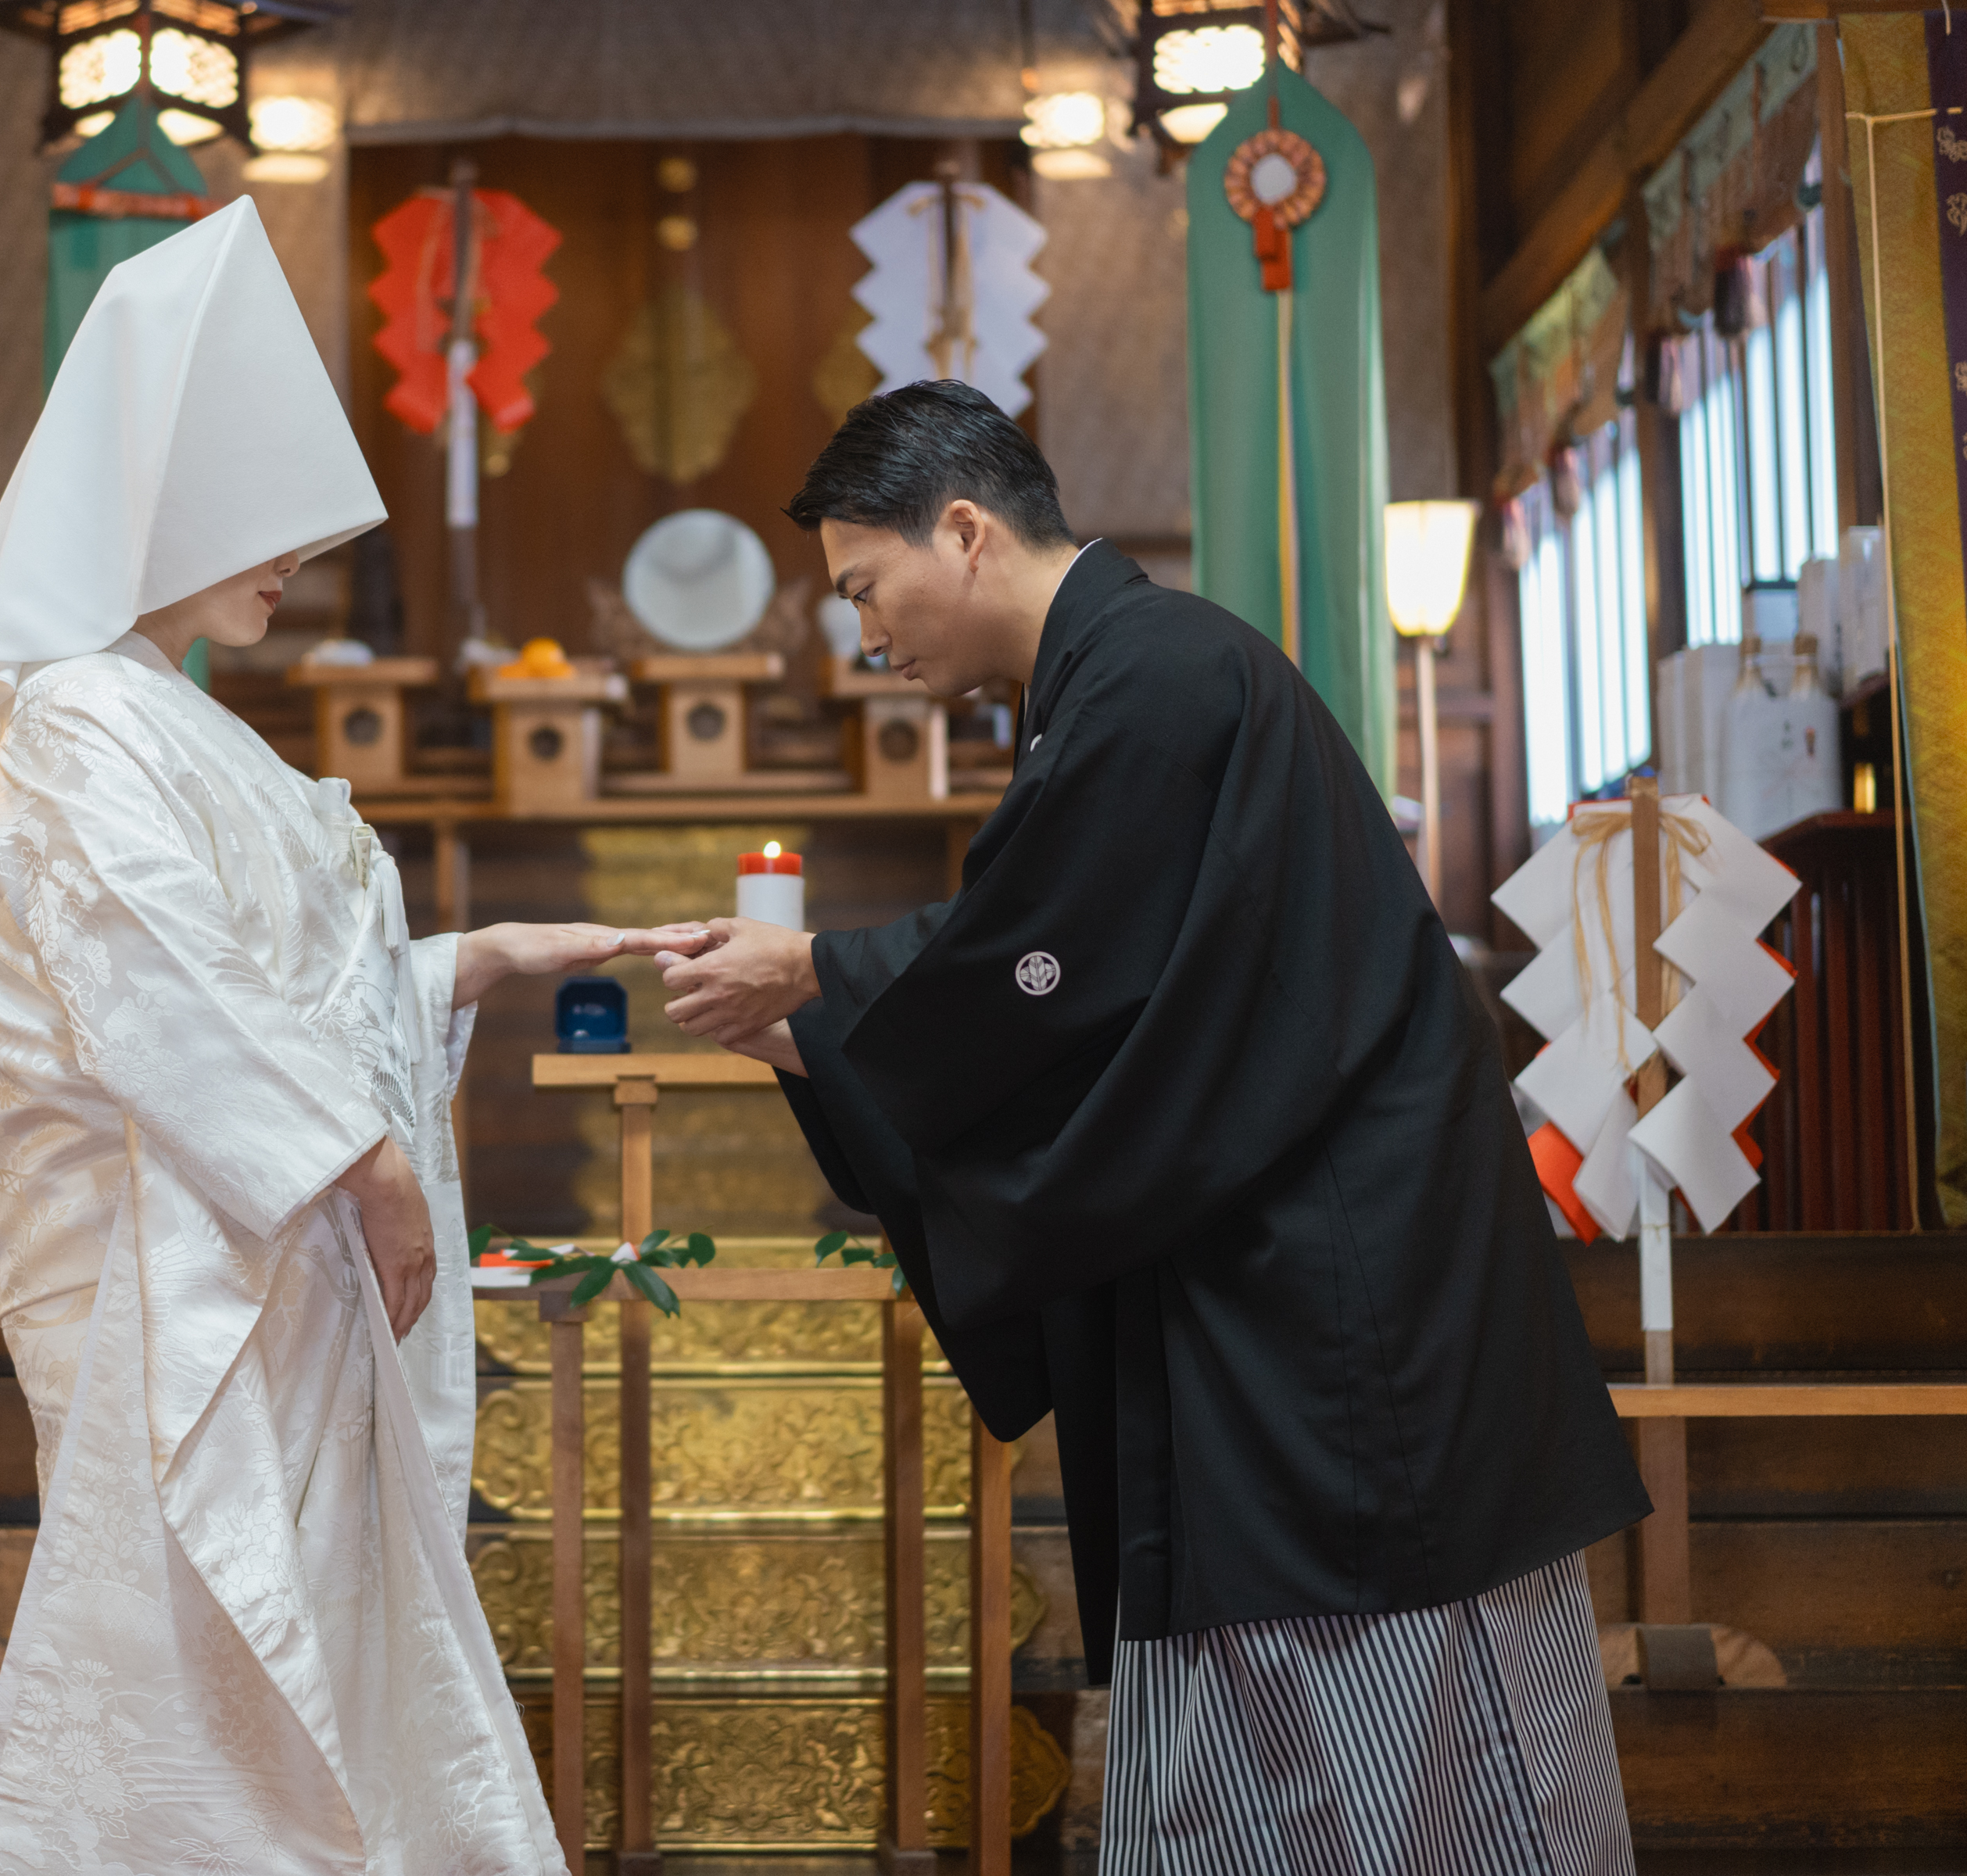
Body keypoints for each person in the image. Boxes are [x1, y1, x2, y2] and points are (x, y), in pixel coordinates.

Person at [652, 382, 1648, 1874]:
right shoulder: (1121, 681)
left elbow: (1048, 963)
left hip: (1340, 1316)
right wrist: (820, 1018)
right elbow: (1066, 980)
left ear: (967, 531)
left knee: (1408, 1759)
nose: (866, 634)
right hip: (1263, 1285)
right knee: (1284, 1751)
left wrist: (824, 978)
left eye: (868, 586)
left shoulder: (1156, 681)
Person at [0, 199, 673, 1875]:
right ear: (156, 505)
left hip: (266, 1250)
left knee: (301, 1665)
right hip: (186, 1271)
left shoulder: (165, 713)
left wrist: (466, 962)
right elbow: (157, 982)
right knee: (212, 1662)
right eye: (265, 520)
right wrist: (358, 1156)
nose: (294, 559)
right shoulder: (91, 706)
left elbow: (274, 979)